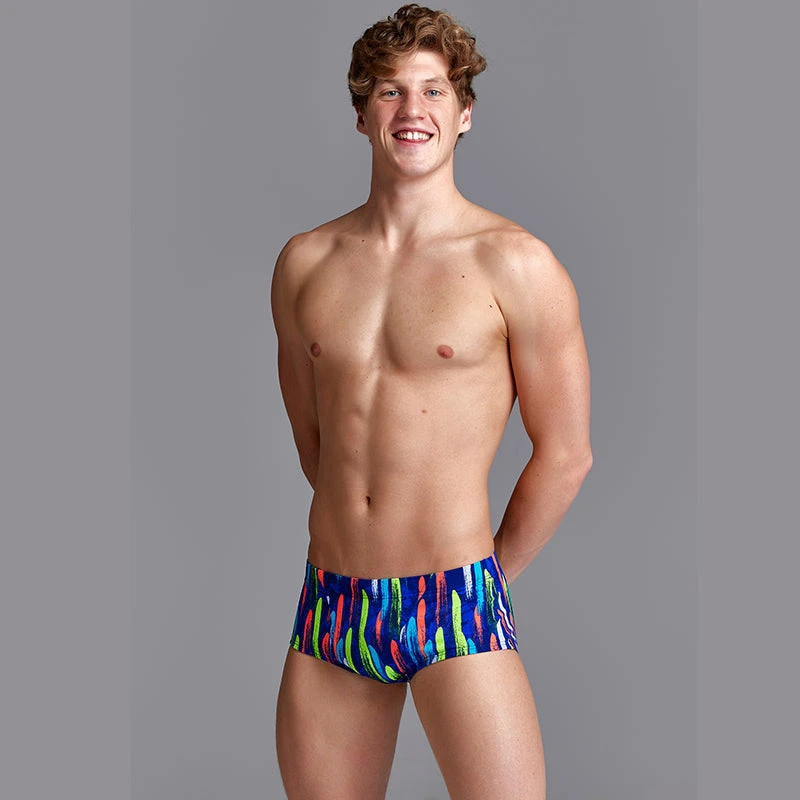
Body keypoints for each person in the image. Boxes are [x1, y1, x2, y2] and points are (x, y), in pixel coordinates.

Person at [270, 5, 592, 798]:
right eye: (389, 91)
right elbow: (317, 440)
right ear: (361, 114)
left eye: (433, 90)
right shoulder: (305, 263)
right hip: (334, 602)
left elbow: (566, 454)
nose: (411, 110)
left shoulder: (517, 264)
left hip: (455, 599)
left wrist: (486, 580)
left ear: (464, 112)